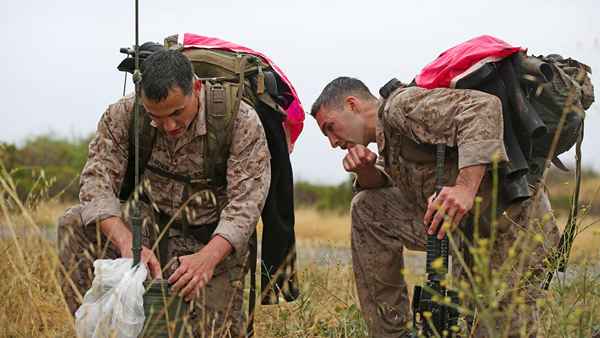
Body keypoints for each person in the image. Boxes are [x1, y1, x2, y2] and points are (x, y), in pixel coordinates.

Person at [310, 77, 560, 337]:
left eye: (330, 127)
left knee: (496, 330)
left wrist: (465, 187)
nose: (332, 142)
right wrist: (365, 172)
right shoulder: (389, 141)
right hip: (470, 232)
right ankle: (393, 333)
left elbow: (483, 108)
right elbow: (383, 194)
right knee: (367, 207)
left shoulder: (401, 106)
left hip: (513, 229)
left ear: (352, 105)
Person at [57, 49, 271, 337]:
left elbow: (246, 204)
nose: (168, 126)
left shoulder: (239, 121)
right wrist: (127, 243)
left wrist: (207, 258)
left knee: (210, 333)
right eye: (155, 116)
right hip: (146, 232)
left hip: (210, 241)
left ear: (196, 88)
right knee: (74, 222)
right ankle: (101, 327)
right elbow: (96, 185)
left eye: (176, 113)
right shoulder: (123, 114)